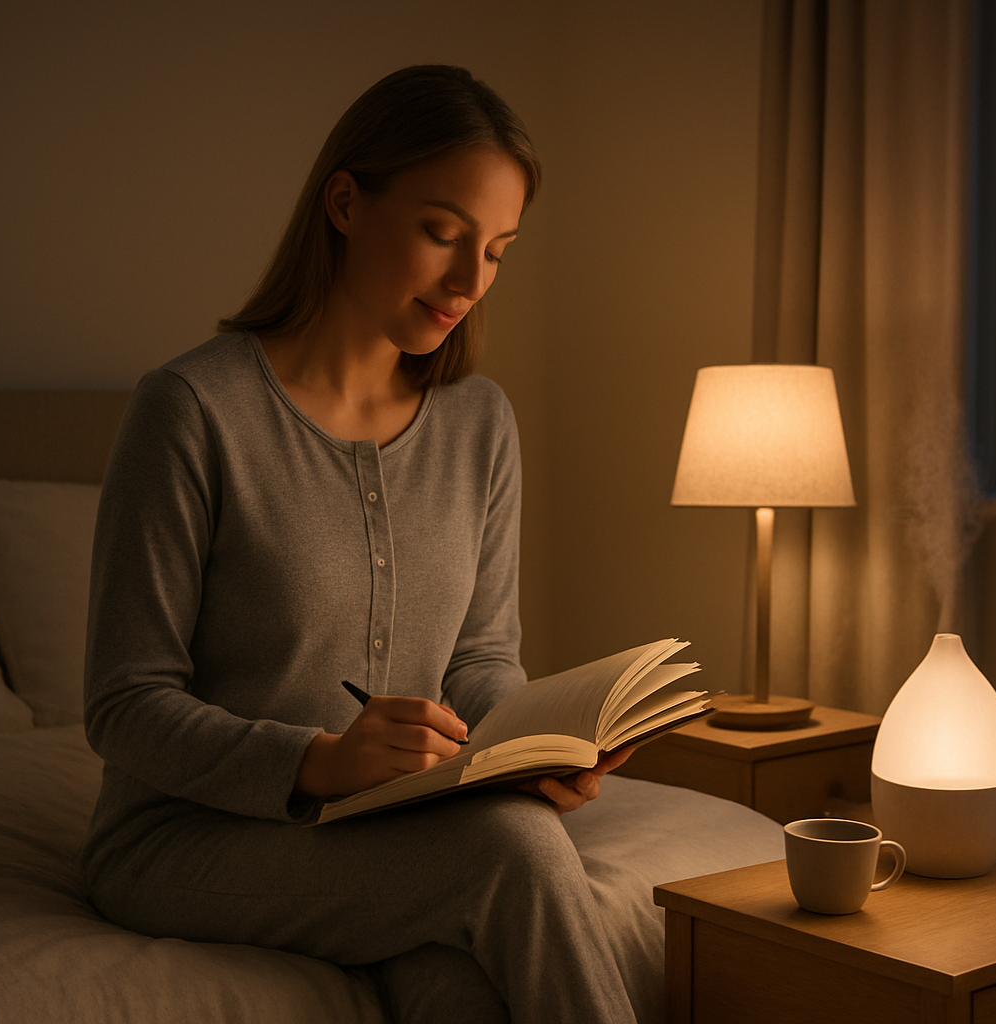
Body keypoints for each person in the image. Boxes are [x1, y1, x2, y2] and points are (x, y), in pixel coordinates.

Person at [79, 65, 645, 1023]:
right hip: (183, 838)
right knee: (513, 852)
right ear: (346, 202)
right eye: (442, 233)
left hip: (393, 828)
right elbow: (123, 705)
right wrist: (318, 761)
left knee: (465, 992)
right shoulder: (189, 410)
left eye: (499, 251)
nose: (471, 282)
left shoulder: (480, 421)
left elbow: (478, 656)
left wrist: (527, 747)